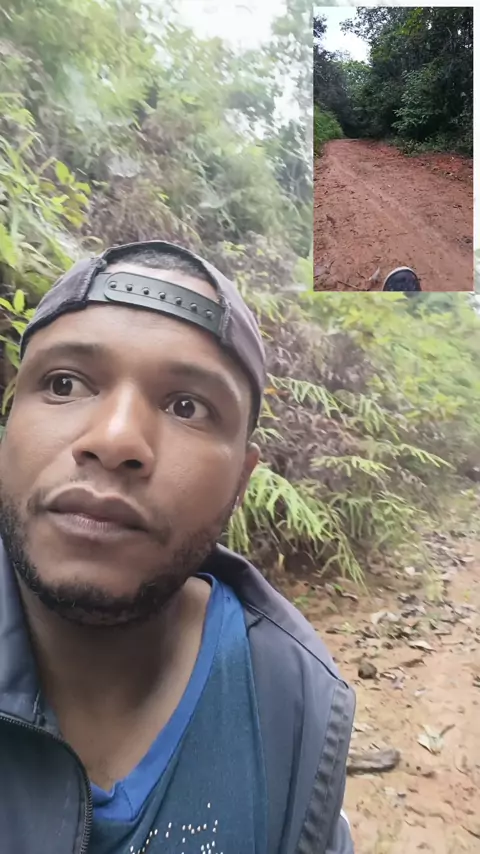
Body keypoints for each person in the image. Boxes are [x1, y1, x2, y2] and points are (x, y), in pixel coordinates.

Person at [0, 240, 355, 854]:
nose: (115, 440)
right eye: (64, 383)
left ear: (241, 480)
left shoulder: (290, 700)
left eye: (187, 406)